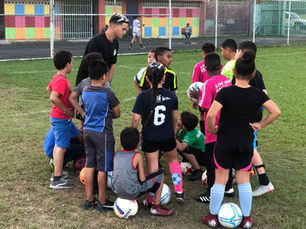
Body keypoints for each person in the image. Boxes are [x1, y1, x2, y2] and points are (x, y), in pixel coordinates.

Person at [201, 50, 280, 228]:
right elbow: (276, 111)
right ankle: (246, 219)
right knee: (243, 179)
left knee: (221, 179)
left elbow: (211, 115)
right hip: (245, 140)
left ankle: (212, 217)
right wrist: (260, 124)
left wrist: (213, 129)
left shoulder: (225, 92)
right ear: (253, 74)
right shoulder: (258, 94)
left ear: (234, 72)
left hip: (225, 139)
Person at [131, 63, 181, 216]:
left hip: (150, 137)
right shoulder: (171, 95)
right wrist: (173, 132)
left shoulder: (142, 96)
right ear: (164, 78)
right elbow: (174, 117)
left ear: (147, 79)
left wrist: (134, 136)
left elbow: (135, 119)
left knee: (153, 170)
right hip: (167, 136)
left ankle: (151, 200)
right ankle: (179, 192)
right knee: (173, 162)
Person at [190, 53, 233, 203]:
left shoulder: (209, 83)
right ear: (221, 66)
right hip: (227, 128)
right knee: (225, 161)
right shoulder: (227, 80)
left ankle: (210, 192)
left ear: (206, 69)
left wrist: (197, 97)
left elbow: (205, 108)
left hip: (213, 130)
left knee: (211, 163)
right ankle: (228, 187)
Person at [234, 41, 274, 197]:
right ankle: (239, 171)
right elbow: (264, 91)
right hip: (250, 117)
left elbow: (263, 94)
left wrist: (257, 119)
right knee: (248, 147)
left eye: (238, 51)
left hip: (249, 119)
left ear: (242, 52)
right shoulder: (255, 72)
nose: (236, 53)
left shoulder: (249, 73)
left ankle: (265, 182)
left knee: (251, 149)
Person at [81, 60, 120, 211]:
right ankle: (102, 201)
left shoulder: (85, 91)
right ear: (104, 76)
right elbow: (117, 113)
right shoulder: (108, 93)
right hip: (102, 133)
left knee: (90, 164)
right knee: (102, 168)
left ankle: (89, 199)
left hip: (87, 131)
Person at [47, 50, 74, 189]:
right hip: (60, 117)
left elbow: (48, 89)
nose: (72, 65)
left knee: (59, 145)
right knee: (61, 147)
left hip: (58, 117)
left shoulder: (57, 78)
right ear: (67, 64)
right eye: (71, 62)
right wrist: (64, 108)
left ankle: (57, 173)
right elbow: (53, 96)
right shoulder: (61, 80)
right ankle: (57, 179)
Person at [76, 13, 129, 86]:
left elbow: (112, 65)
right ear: (114, 26)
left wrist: (107, 84)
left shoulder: (115, 43)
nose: (125, 32)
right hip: (87, 86)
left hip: (101, 84)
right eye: (123, 29)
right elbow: (91, 68)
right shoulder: (96, 42)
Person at [113, 127, 162, 200]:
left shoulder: (116, 154)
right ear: (138, 143)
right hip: (133, 193)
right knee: (160, 176)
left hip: (117, 191)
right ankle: (155, 205)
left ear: (121, 142)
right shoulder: (137, 156)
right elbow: (142, 179)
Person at [192, 42, 221, 134]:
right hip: (218, 92)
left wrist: (195, 99)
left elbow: (195, 84)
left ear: (203, 52)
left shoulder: (198, 66)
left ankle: (205, 133)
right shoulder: (219, 64)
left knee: (202, 114)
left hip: (204, 95)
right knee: (218, 112)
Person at [70, 52, 104, 131]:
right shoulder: (85, 83)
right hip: (95, 124)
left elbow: (72, 97)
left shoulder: (84, 82)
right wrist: (82, 112)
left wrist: (81, 112)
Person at [175, 111, 206, 181]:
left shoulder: (192, 133)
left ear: (184, 125)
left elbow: (181, 147)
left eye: (180, 120)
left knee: (184, 148)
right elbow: (176, 139)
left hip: (205, 157)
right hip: (200, 152)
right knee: (178, 144)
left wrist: (173, 138)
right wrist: (177, 129)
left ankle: (198, 170)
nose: (179, 121)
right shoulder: (186, 130)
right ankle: (189, 159)